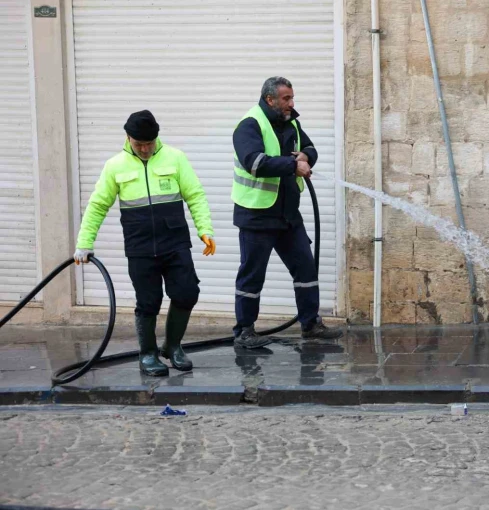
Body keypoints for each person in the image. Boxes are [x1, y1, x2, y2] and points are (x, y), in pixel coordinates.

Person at [73, 110, 216, 376]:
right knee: (148, 302)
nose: (145, 149)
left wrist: (204, 230)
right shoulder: (115, 166)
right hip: (140, 247)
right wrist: (85, 242)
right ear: (128, 138)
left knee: (187, 293)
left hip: (175, 243)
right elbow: (97, 206)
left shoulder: (175, 158)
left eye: (149, 143)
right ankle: (148, 354)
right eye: (139, 144)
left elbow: (195, 195)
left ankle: (173, 347)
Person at [231, 76, 343, 348]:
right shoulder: (249, 125)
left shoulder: (291, 121)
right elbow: (254, 163)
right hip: (257, 214)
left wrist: (305, 157)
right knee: (252, 273)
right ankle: (245, 330)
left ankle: (310, 324)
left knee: (305, 267)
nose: (291, 104)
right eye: (286, 99)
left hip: (288, 215)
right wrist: (293, 167)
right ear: (270, 99)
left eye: (292, 98)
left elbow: (310, 147)